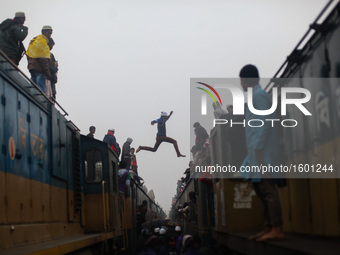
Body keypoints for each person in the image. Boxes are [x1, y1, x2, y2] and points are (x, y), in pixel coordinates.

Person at [239, 64, 284, 242]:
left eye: (241, 79)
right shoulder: (255, 97)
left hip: (261, 151)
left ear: (246, 80)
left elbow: (266, 122)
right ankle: (268, 227)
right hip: (255, 152)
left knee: (267, 190)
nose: (241, 83)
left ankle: (277, 228)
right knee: (260, 189)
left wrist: (258, 149)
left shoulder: (259, 96)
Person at [26, 25, 53, 94]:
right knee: (40, 89)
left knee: (33, 85)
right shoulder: (43, 42)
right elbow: (44, 60)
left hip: (32, 66)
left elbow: (28, 54)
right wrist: (48, 74)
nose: (50, 35)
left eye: (51, 33)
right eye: (49, 33)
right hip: (39, 68)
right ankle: (39, 99)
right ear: (43, 32)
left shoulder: (35, 40)